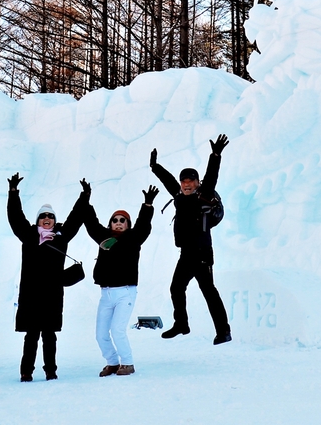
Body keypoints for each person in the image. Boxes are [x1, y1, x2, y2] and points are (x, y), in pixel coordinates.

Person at [149, 134, 231, 344]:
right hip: (186, 253)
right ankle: (181, 324)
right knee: (176, 288)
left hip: (202, 252)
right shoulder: (178, 195)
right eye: (183, 181)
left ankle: (223, 332)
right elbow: (167, 180)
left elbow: (212, 175)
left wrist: (215, 155)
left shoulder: (204, 193)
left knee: (209, 292)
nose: (186, 184)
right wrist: (154, 166)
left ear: (197, 182)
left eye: (190, 181)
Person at [6, 172, 89, 382]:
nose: (46, 219)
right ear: (38, 221)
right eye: (43, 216)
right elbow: (16, 218)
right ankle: (26, 372)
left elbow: (76, 218)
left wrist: (84, 196)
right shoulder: (29, 236)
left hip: (52, 294)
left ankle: (50, 370)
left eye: (50, 216)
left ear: (54, 220)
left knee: (50, 336)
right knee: (31, 336)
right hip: (31, 294)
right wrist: (13, 192)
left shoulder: (61, 237)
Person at [81, 179, 159, 377]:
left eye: (122, 220)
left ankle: (128, 363)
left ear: (128, 225)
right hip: (106, 293)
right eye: (115, 220)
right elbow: (90, 223)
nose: (118, 223)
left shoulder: (133, 239)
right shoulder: (104, 237)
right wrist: (86, 199)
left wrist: (147, 205)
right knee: (100, 335)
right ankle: (113, 362)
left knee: (117, 330)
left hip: (125, 292)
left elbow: (143, 225)